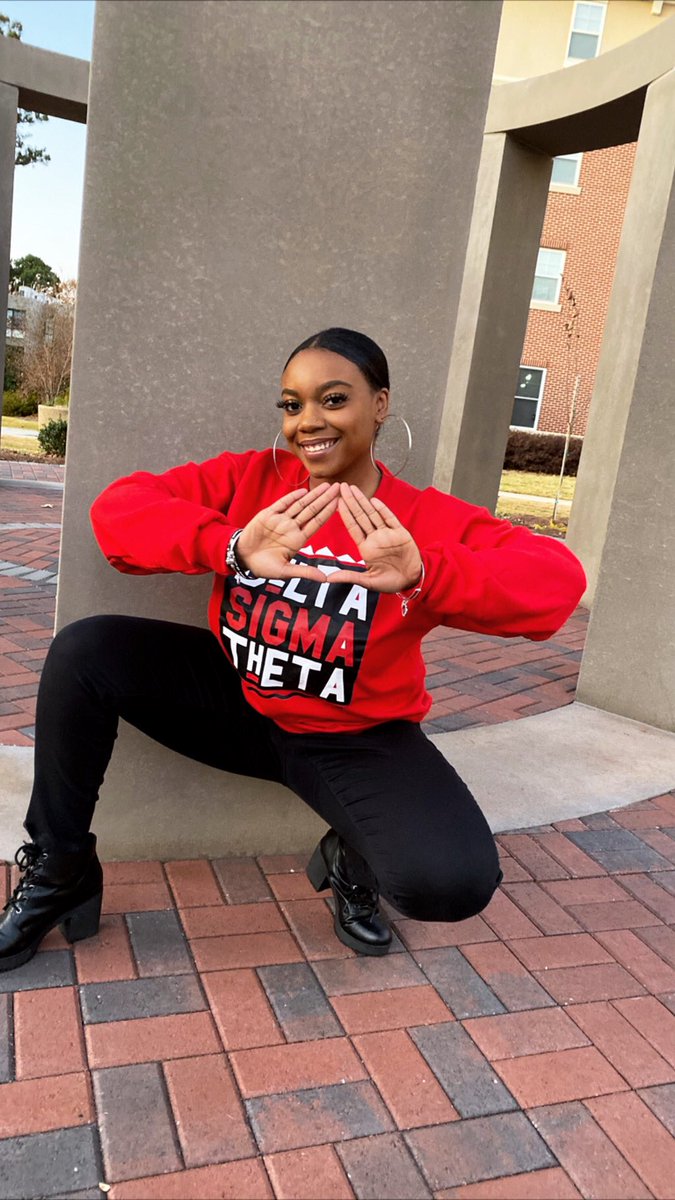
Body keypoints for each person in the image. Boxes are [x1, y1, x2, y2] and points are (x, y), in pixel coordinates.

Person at [0, 328, 586, 971]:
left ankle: (350, 860)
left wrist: (425, 571)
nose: (308, 421)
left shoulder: (417, 518)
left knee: (451, 882)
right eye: (292, 404)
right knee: (85, 652)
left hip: (353, 736)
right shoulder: (252, 478)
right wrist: (230, 546)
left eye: (333, 399)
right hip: (239, 699)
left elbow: (557, 583)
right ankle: (60, 870)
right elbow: (120, 509)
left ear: (380, 405)